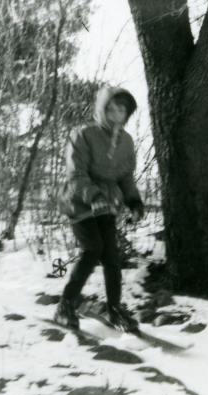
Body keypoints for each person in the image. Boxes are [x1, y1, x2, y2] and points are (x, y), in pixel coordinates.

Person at [55, 85, 145, 332]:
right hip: (80, 202)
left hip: (107, 204)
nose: (116, 114)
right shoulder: (84, 134)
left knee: (112, 257)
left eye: (121, 110)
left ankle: (115, 310)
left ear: (127, 113)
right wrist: (93, 196)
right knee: (93, 248)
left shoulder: (126, 141)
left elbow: (125, 177)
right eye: (111, 109)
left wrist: (134, 202)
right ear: (101, 110)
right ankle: (65, 305)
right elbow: (76, 173)